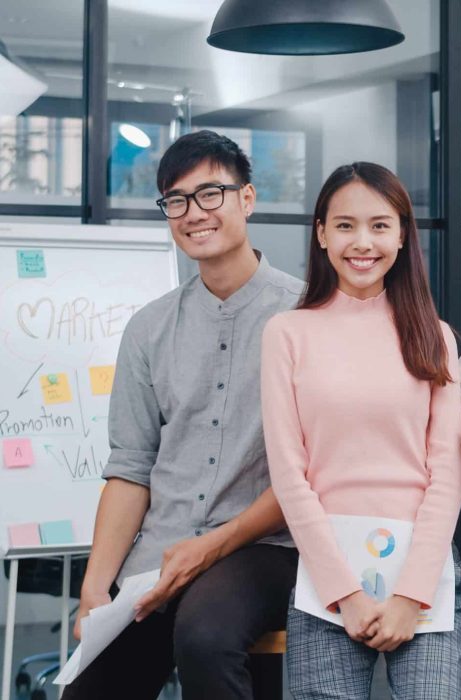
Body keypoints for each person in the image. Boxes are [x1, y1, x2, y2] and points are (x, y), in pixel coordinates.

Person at [64, 130, 302, 699]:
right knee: (88, 688)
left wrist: (211, 548)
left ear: (247, 199)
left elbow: (312, 469)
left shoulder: (305, 315)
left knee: (205, 637)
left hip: (263, 549)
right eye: (176, 200)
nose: (193, 213)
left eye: (210, 193)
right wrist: (96, 589)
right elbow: (131, 466)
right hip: (160, 554)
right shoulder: (149, 328)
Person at [261, 162, 461, 699]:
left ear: (402, 235)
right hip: (329, 578)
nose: (363, 242)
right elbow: (289, 474)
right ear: (322, 233)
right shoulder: (287, 333)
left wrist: (411, 595)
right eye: (345, 225)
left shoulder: (435, 335)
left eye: (380, 225)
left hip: (422, 576)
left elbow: (446, 475)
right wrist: (343, 593)